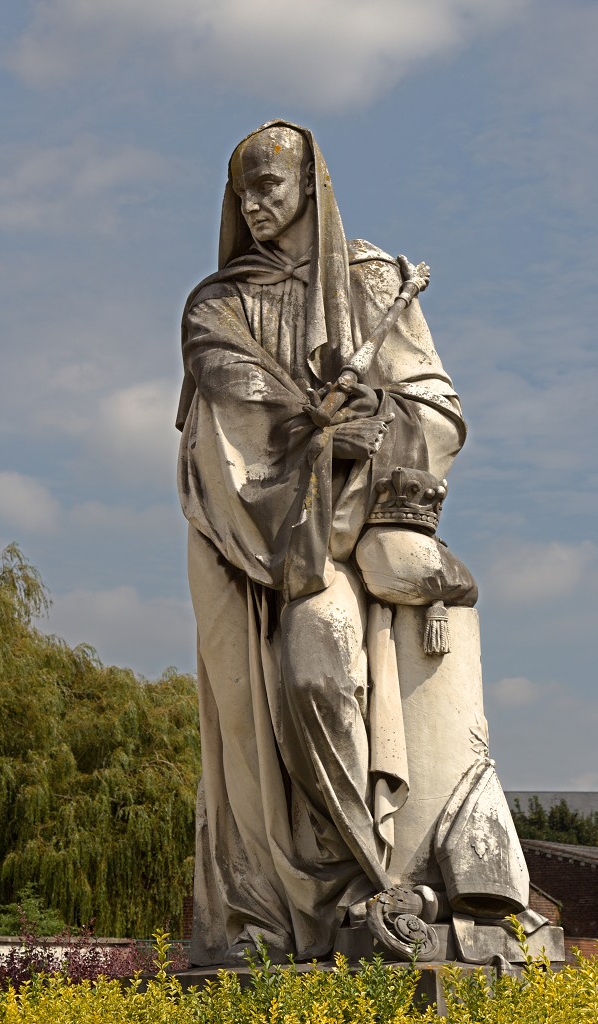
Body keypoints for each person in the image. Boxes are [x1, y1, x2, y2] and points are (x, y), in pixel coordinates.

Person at [176, 120, 470, 966]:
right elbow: (229, 409)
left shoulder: (374, 280)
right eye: (244, 192)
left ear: (312, 183)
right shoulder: (217, 302)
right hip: (257, 544)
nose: (256, 205)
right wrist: (313, 430)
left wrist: (382, 426)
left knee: (319, 672)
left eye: (270, 185)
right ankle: (307, 905)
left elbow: (435, 405)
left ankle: (369, 885)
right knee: (262, 714)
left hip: (345, 539)